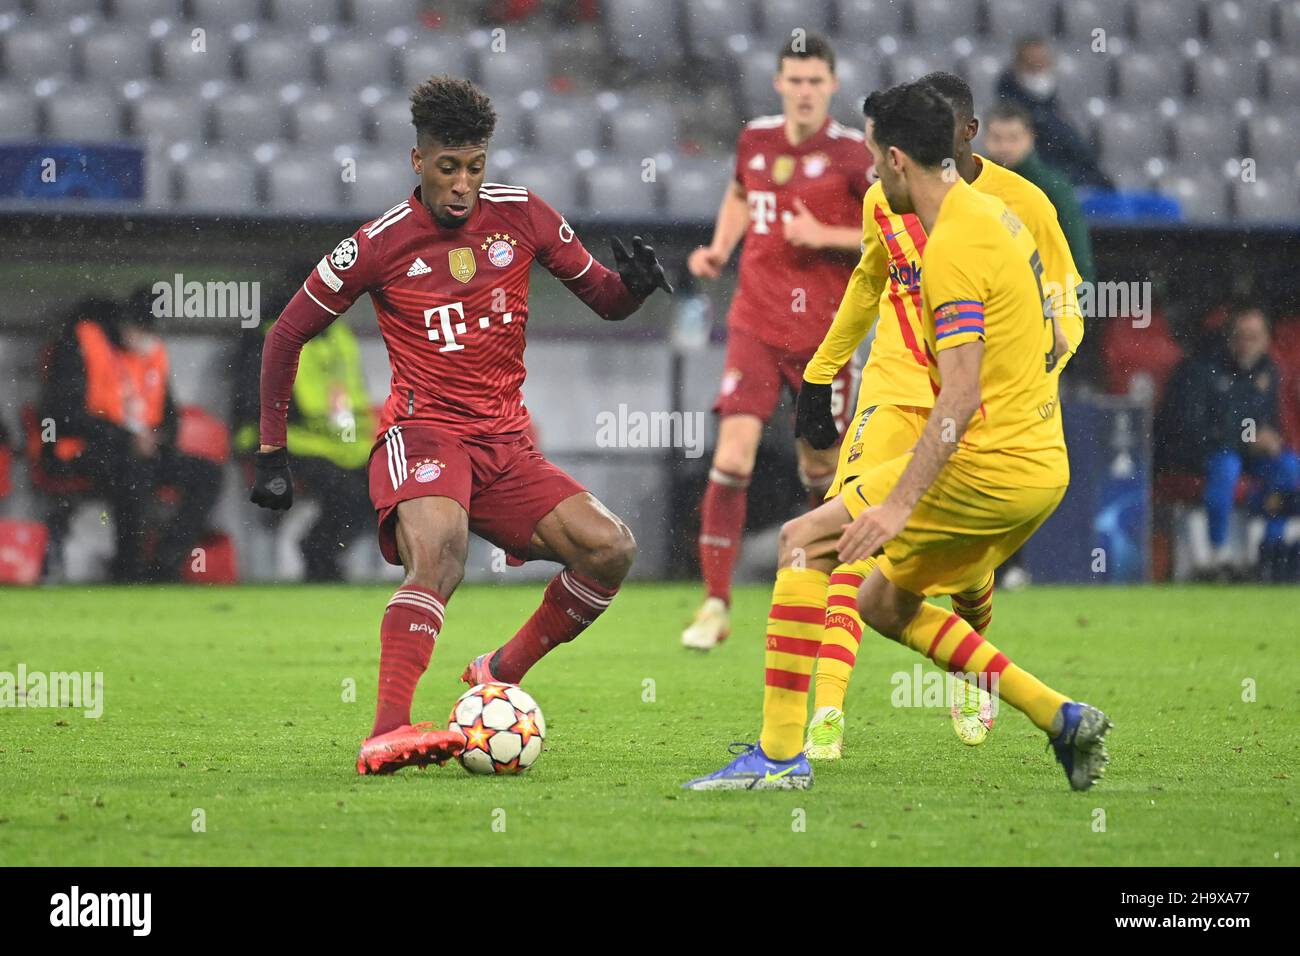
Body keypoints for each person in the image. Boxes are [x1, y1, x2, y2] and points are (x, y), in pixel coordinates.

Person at [684, 81, 1109, 793]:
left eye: (877, 160)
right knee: (882, 602)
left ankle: (780, 757)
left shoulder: (954, 246)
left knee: (804, 541)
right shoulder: (986, 217)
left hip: (989, 462)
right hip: (1036, 462)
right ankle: (1061, 717)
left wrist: (898, 502)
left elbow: (962, 394)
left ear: (900, 158)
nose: (872, 175)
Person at [249, 75, 671, 775]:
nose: (463, 185)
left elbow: (604, 297)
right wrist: (271, 452)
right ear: (419, 162)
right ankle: (387, 730)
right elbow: (284, 335)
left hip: (505, 446)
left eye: (475, 167)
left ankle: (500, 669)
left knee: (610, 549)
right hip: (423, 434)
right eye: (449, 167)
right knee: (440, 557)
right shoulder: (380, 243)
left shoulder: (525, 215)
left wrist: (634, 288)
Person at [793, 72, 1083, 759]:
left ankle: (973, 673)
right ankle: (825, 713)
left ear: (967, 133)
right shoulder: (883, 198)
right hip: (898, 384)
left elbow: (1064, 299)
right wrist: (820, 372)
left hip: (972, 400)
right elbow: (870, 282)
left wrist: (1042, 369)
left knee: (964, 573)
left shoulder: (1019, 205)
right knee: (841, 538)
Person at [681, 33, 872, 650]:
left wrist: (825, 233)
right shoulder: (755, 140)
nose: (805, 91)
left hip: (826, 338)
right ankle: (714, 602)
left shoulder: (852, 155)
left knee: (819, 469)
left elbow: (887, 232)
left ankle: (824, 586)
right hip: (756, 325)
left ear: (833, 85)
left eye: (816, 80)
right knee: (732, 456)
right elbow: (741, 193)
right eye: (795, 80)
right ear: (779, 83)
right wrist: (719, 247)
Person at [38, 294, 221, 582]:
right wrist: (125, 439)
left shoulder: (153, 352)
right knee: (134, 472)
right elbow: (61, 413)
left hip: (140, 452)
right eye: (141, 329)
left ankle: (165, 564)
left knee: (207, 475)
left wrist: (161, 438)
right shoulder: (83, 342)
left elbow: (169, 413)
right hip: (82, 451)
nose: (146, 338)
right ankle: (128, 570)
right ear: (124, 324)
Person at [233, 278, 375, 582]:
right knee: (346, 491)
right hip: (282, 443)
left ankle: (322, 552)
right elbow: (255, 405)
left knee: (382, 486)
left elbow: (352, 397)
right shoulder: (270, 338)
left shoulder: (337, 337)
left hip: (332, 443)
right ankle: (317, 553)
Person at [1157, 307, 1300, 581]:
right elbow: (1192, 428)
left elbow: (1266, 420)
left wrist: (1271, 439)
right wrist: (1246, 440)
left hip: (1250, 454)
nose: (1247, 344)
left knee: (1290, 467)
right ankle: (1218, 555)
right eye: (1241, 336)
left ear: (1267, 340)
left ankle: (1273, 549)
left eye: (1254, 337)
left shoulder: (1268, 371)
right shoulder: (1202, 370)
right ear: (1229, 338)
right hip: (1204, 454)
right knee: (1227, 467)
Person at [983, 100, 1095, 286]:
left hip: (1045, 297)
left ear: (1030, 137)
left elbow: (1079, 257)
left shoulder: (1054, 188)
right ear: (984, 137)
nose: (1005, 147)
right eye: (997, 138)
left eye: (1013, 138)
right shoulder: (973, 185)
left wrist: (1078, 308)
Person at [995, 36, 1112, 189]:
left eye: (1042, 63)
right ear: (1017, 66)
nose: (1038, 71)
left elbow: (1081, 155)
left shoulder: (1055, 108)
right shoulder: (1010, 113)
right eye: (1032, 65)